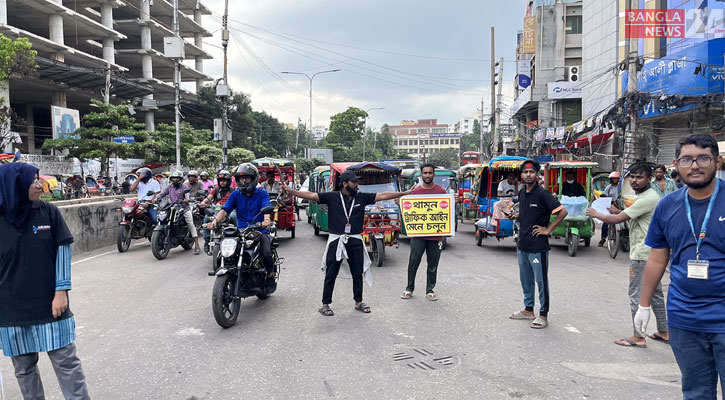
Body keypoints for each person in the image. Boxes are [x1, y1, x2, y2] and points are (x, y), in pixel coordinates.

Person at [636, 134, 725, 399]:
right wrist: (643, 305)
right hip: (684, 317)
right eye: (687, 159)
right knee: (696, 392)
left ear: (717, 162)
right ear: (676, 164)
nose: (694, 165)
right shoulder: (668, 206)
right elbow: (657, 258)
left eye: (703, 158)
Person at [0, 163, 90, 399]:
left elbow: (62, 249)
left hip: (50, 304)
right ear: (15, 185)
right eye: (34, 181)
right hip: (11, 309)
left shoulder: (48, 212)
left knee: (66, 362)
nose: (41, 185)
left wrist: (61, 291)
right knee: (23, 368)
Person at [282, 170, 414, 316]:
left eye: (357, 182)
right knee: (331, 272)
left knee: (358, 272)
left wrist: (404, 193)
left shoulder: (362, 197)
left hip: (355, 239)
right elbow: (311, 195)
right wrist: (292, 191)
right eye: (354, 182)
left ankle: (358, 302)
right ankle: (326, 304)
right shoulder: (332, 197)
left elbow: (382, 196)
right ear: (345, 183)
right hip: (336, 239)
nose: (357, 184)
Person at [587, 162, 668, 348]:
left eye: (639, 177)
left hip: (643, 254)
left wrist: (595, 214)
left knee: (636, 294)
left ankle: (638, 336)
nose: (634, 180)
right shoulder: (646, 197)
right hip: (651, 252)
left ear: (650, 179)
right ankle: (664, 331)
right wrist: (618, 211)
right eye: (632, 177)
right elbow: (628, 217)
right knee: (655, 295)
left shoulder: (647, 198)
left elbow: (617, 220)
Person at [509, 160, 568, 329]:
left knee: (541, 281)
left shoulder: (543, 194)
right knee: (526, 279)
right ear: (521, 175)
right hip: (523, 245)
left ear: (537, 175)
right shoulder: (522, 193)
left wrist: (548, 230)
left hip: (538, 248)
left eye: (532, 172)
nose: (528, 175)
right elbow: (527, 213)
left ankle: (543, 314)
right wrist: (517, 216)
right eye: (525, 172)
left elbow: (563, 212)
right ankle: (528, 310)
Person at [206, 164, 277, 291]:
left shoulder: (262, 193)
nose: (243, 181)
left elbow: (266, 207)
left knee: (266, 253)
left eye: (247, 178)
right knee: (227, 252)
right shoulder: (235, 194)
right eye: (241, 178)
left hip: (259, 230)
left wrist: (266, 219)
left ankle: (270, 275)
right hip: (241, 230)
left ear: (254, 178)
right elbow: (225, 209)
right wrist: (215, 221)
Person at [400, 163, 446, 301]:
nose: (427, 175)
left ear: (434, 174)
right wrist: (400, 204)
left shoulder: (441, 192)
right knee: (413, 262)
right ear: (421, 175)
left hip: (435, 235)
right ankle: (409, 288)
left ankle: (430, 290)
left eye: (430, 173)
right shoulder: (415, 192)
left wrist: (452, 204)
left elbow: (445, 212)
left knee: (433, 264)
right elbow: (409, 212)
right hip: (418, 234)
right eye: (425, 173)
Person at [154, 170, 201, 254]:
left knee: (190, 223)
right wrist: (156, 198)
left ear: (181, 179)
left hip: (184, 208)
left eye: (177, 178)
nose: (175, 180)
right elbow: (162, 194)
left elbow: (187, 196)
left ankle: (197, 244)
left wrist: (186, 199)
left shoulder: (185, 187)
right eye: (174, 178)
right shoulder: (170, 187)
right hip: (172, 207)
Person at [199, 170, 237, 254]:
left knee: (234, 217)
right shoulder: (215, 190)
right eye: (221, 180)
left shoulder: (233, 191)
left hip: (229, 210)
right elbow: (209, 198)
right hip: (216, 209)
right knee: (206, 218)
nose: (222, 182)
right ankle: (207, 239)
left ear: (228, 181)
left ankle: (238, 238)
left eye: (224, 180)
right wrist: (203, 203)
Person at [598, 171, 621, 247]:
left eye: (616, 179)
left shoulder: (621, 187)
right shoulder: (609, 188)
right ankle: (603, 238)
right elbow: (605, 196)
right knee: (606, 222)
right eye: (613, 179)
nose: (615, 180)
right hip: (611, 206)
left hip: (620, 206)